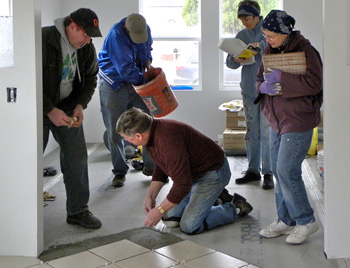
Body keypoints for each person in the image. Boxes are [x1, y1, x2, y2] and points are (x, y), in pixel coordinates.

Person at [116, 108, 253, 235]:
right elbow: (161, 166)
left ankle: (235, 206)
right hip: (192, 173)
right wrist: (150, 197)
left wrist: (159, 210)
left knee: (189, 226)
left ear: (139, 136)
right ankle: (217, 198)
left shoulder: (167, 142)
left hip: (213, 174)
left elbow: (182, 185)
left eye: (126, 138)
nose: (126, 140)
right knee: (170, 219)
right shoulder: (152, 132)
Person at [256, 10, 322, 244]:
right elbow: (259, 78)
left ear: (285, 33)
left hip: (298, 119)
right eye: (265, 35)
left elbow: (315, 84)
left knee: (287, 170)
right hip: (275, 118)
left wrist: (282, 79)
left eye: (271, 36)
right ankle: (286, 220)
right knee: (276, 170)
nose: (268, 40)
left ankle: (306, 220)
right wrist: (262, 87)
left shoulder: (306, 51)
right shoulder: (270, 50)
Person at [42, 8, 102, 229]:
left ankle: (78, 211)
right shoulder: (43, 39)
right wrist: (49, 109)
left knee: (77, 158)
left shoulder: (86, 48)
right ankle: (21, 211)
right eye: (85, 34)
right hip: (38, 109)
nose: (87, 41)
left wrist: (79, 105)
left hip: (67, 108)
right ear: (72, 26)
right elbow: (28, 79)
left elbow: (91, 77)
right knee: (29, 159)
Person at [98, 13, 154, 188]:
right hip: (114, 83)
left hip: (135, 80)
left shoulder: (144, 29)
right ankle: (120, 171)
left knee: (149, 123)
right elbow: (126, 70)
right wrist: (149, 82)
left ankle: (152, 168)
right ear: (126, 29)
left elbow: (148, 48)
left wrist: (149, 62)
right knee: (115, 129)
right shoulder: (116, 35)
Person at [226, 1, 274, 190]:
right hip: (248, 90)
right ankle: (253, 170)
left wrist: (259, 45)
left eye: (247, 18)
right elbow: (230, 63)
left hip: (268, 90)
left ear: (256, 16)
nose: (244, 22)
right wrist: (235, 59)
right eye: (241, 19)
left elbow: (278, 48)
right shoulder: (241, 36)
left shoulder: (269, 31)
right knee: (252, 132)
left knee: (266, 132)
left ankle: (268, 172)